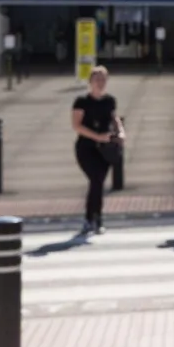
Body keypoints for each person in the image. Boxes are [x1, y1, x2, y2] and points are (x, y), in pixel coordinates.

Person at [71, 65, 125, 234]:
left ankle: (96, 218)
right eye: (97, 79)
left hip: (105, 148)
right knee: (95, 179)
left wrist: (121, 132)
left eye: (103, 79)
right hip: (86, 148)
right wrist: (96, 136)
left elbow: (114, 118)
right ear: (90, 82)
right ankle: (91, 219)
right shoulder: (81, 102)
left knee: (98, 183)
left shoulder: (110, 101)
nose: (100, 83)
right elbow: (76, 125)